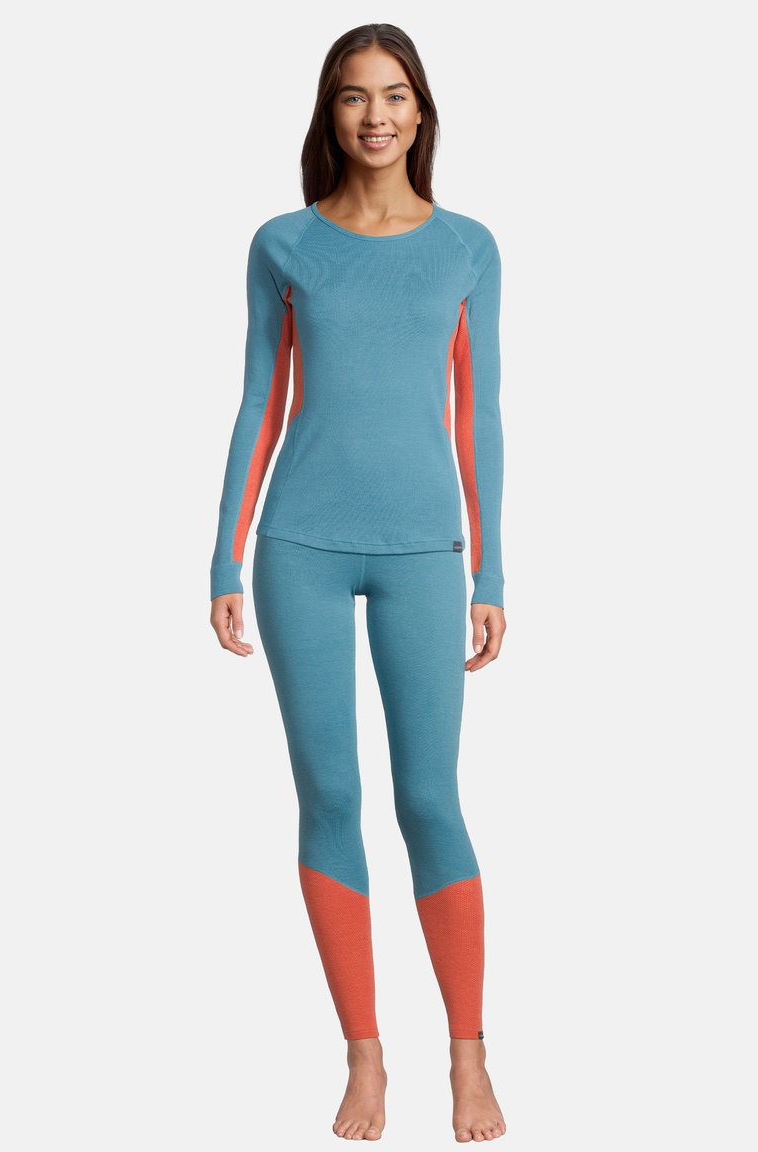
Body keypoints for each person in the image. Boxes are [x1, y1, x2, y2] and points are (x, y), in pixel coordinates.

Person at [209, 22, 507, 1143]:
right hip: (301, 548)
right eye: (352, 96)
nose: (374, 115)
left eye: (392, 95)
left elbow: (477, 414)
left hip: (426, 552)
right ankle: (365, 1057)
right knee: (331, 797)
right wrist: (224, 553)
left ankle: (468, 1056)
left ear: (420, 112)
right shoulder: (283, 244)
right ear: (329, 113)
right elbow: (259, 401)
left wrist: (489, 566)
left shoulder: (467, 248)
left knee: (429, 798)